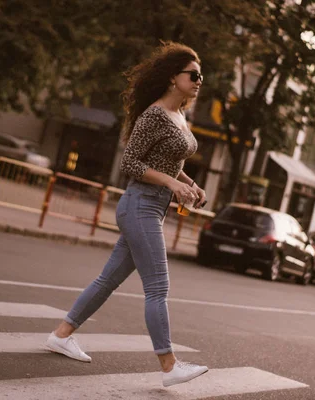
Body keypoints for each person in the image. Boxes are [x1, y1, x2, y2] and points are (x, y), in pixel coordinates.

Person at [45, 42, 209, 388]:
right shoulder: (153, 115)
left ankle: (62, 334)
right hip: (139, 205)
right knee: (158, 286)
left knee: (108, 280)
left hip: (153, 206)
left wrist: (189, 183)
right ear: (172, 77)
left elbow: (167, 161)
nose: (199, 81)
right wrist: (170, 182)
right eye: (192, 75)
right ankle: (169, 366)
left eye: (201, 76)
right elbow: (130, 164)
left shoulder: (179, 115)